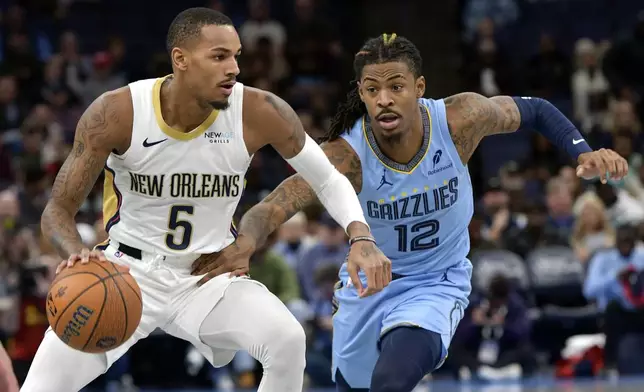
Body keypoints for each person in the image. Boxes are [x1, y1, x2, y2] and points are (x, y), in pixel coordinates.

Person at [230, 33, 628, 391]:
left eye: (396, 86)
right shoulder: (345, 156)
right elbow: (274, 205)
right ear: (362, 94)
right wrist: (245, 241)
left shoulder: (460, 121)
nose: (384, 98)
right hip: (369, 287)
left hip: (437, 282)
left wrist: (584, 151)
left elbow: (536, 109)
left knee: (391, 382)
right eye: (372, 89)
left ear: (419, 88)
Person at [21, 8, 390, 392]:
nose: (233, 68)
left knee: (287, 339)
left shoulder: (259, 110)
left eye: (236, 56)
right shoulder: (119, 111)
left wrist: (360, 236)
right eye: (219, 56)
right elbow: (58, 210)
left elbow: (328, 178)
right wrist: (75, 254)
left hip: (207, 276)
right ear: (180, 59)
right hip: (124, 273)